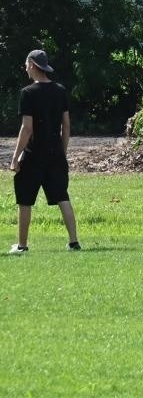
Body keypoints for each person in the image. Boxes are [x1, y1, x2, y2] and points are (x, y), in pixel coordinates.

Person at [8, 50, 80, 254]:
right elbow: (66, 126)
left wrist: (15, 157)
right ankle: (74, 242)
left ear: (32, 64)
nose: (25, 69)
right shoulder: (60, 90)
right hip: (55, 152)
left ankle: (22, 245)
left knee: (24, 198)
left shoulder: (27, 93)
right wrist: (62, 151)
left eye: (26, 65)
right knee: (62, 196)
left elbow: (27, 128)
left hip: (33, 153)